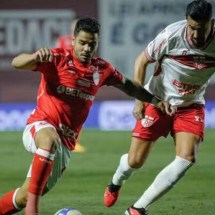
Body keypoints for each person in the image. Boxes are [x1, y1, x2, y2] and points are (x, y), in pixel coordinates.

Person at [0, 17, 175, 215]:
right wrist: (33, 58)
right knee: (49, 140)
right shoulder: (56, 59)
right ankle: (33, 211)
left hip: (65, 145)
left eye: (92, 44)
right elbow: (17, 62)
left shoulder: (102, 69)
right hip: (40, 126)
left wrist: (155, 100)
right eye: (82, 43)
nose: (86, 48)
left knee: (25, 195)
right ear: (73, 41)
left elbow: (128, 86)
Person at [103, 1, 215, 214]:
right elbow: (141, 61)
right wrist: (139, 99)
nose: (196, 34)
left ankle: (138, 208)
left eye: (202, 28)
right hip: (158, 101)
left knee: (187, 158)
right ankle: (116, 181)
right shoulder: (171, 36)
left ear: (211, 23)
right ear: (187, 22)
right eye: (192, 27)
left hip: (191, 106)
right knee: (135, 161)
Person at [55, 15, 86, 153]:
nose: (75, 28)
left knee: (78, 113)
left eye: (77, 26)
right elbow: (56, 58)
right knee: (60, 112)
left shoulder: (84, 42)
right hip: (63, 81)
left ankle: (74, 142)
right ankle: (55, 139)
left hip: (79, 82)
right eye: (74, 26)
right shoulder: (62, 40)